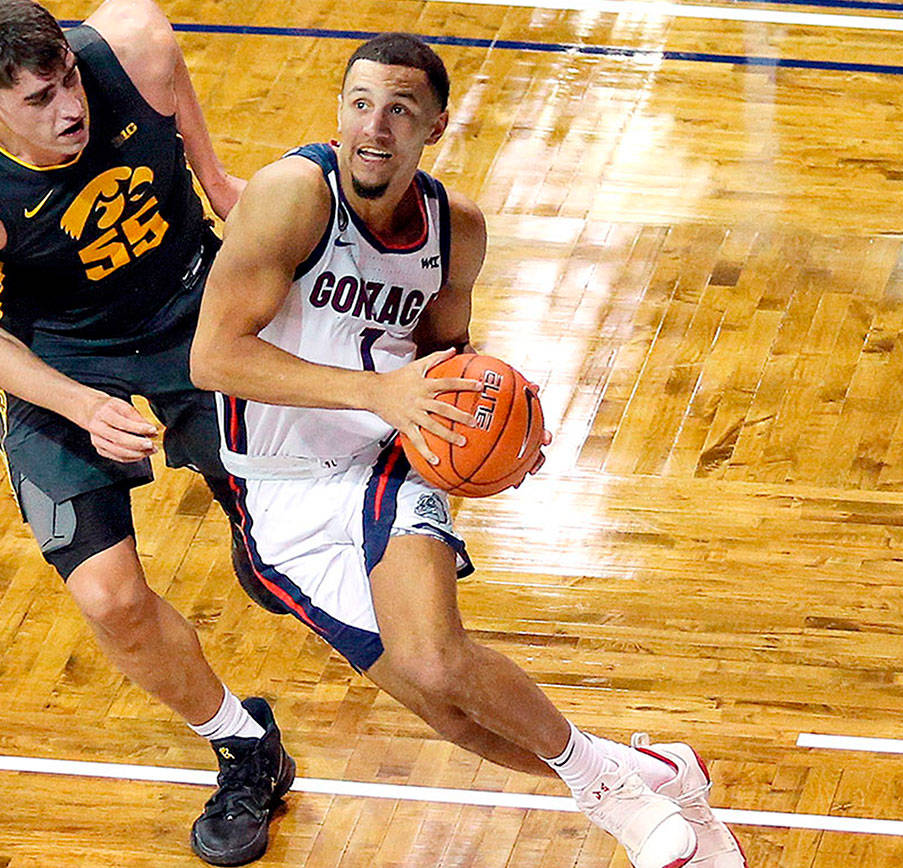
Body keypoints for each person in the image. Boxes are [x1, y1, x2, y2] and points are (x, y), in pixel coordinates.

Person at [190, 33, 748, 868]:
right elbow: (215, 358)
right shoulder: (293, 196)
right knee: (447, 711)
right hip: (277, 491)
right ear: (340, 110)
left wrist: (505, 429)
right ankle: (651, 774)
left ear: (436, 127)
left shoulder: (458, 230)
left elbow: (449, 355)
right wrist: (377, 390)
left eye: (400, 110)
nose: (374, 127)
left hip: (390, 453)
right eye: (360, 104)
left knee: (436, 655)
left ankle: (610, 798)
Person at [0, 0, 293, 863]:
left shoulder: (137, 46)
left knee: (284, 566)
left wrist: (224, 186)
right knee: (109, 599)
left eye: (70, 79)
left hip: (192, 308)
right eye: (40, 98)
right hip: (63, 358)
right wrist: (81, 406)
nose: (70, 108)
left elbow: (178, 108)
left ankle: (258, 522)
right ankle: (243, 745)